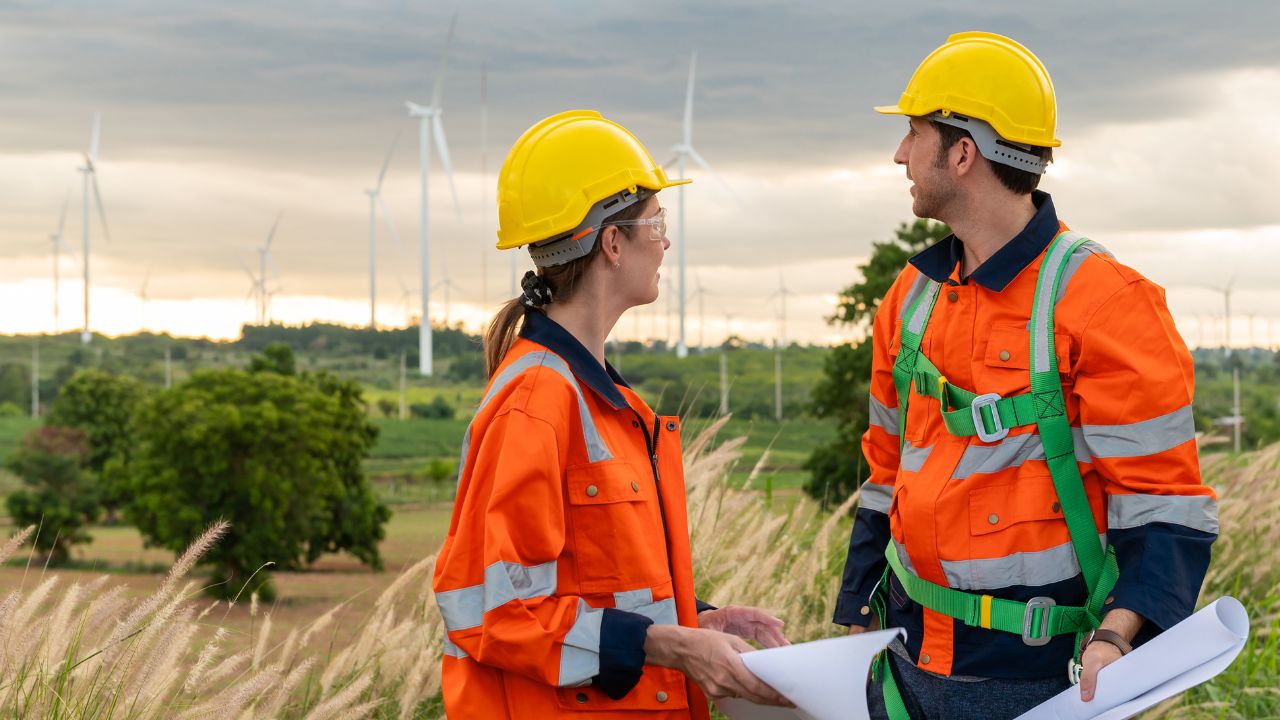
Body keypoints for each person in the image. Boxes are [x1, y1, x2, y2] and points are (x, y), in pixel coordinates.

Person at [834, 32, 1219, 720]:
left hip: (1043, 684)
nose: (899, 155)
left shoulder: (1106, 301)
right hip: (904, 664)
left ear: (962, 152)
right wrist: (861, 612)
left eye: (912, 134)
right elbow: (884, 468)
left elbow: (1164, 503)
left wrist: (1117, 640)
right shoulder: (909, 297)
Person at [433, 110, 791, 718]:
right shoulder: (537, 405)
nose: (667, 241)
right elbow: (501, 612)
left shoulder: (605, 404)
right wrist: (673, 645)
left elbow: (595, 585)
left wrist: (696, 619)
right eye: (657, 222)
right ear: (612, 242)